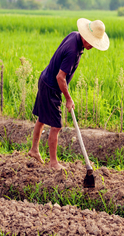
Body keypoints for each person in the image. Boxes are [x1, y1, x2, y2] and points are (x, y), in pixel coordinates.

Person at [27, 18, 110, 169]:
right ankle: (53, 163)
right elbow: (60, 77)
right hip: (52, 86)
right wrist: (68, 99)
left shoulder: (74, 35)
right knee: (56, 126)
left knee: (42, 117)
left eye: (94, 44)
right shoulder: (73, 51)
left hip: (45, 79)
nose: (91, 46)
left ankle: (34, 150)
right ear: (85, 36)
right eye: (91, 42)